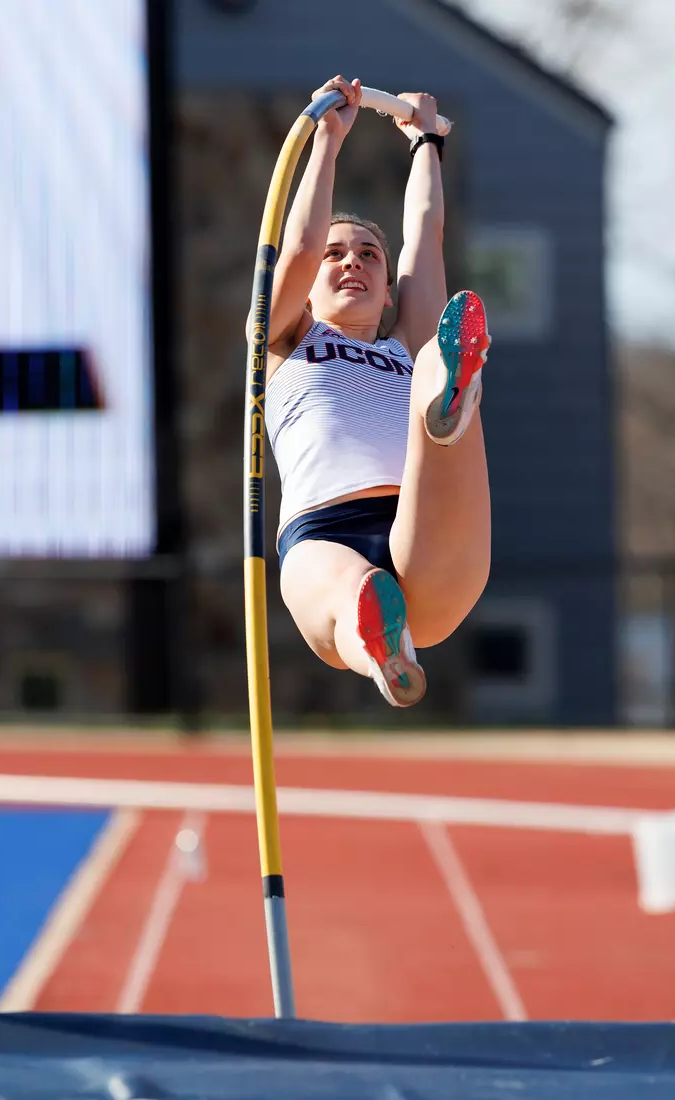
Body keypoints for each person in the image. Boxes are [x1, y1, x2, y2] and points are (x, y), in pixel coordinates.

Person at [263, 75, 491, 707]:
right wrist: (327, 141)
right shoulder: (282, 339)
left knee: (434, 357)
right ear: (308, 287)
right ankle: (384, 651)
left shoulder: (404, 345)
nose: (352, 261)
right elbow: (300, 245)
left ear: (389, 292)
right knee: (350, 590)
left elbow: (425, 233)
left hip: (424, 530)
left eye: (369, 255)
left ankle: (451, 401)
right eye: (336, 255)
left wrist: (427, 143)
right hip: (322, 534)